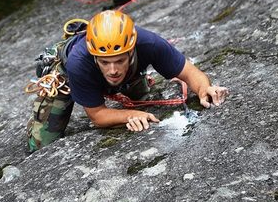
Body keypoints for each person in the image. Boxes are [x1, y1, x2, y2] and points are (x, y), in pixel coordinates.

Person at [26, 10, 229, 152]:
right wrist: (130, 115)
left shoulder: (149, 43)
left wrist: (204, 89)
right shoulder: (79, 62)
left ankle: (135, 77)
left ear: (132, 50)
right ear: (94, 56)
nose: (113, 69)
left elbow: (190, 72)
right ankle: (38, 117)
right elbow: (97, 115)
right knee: (42, 144)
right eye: (105, 62)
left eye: (120, 60)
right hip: (67, 75)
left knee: (145, 95)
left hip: (129, 72)